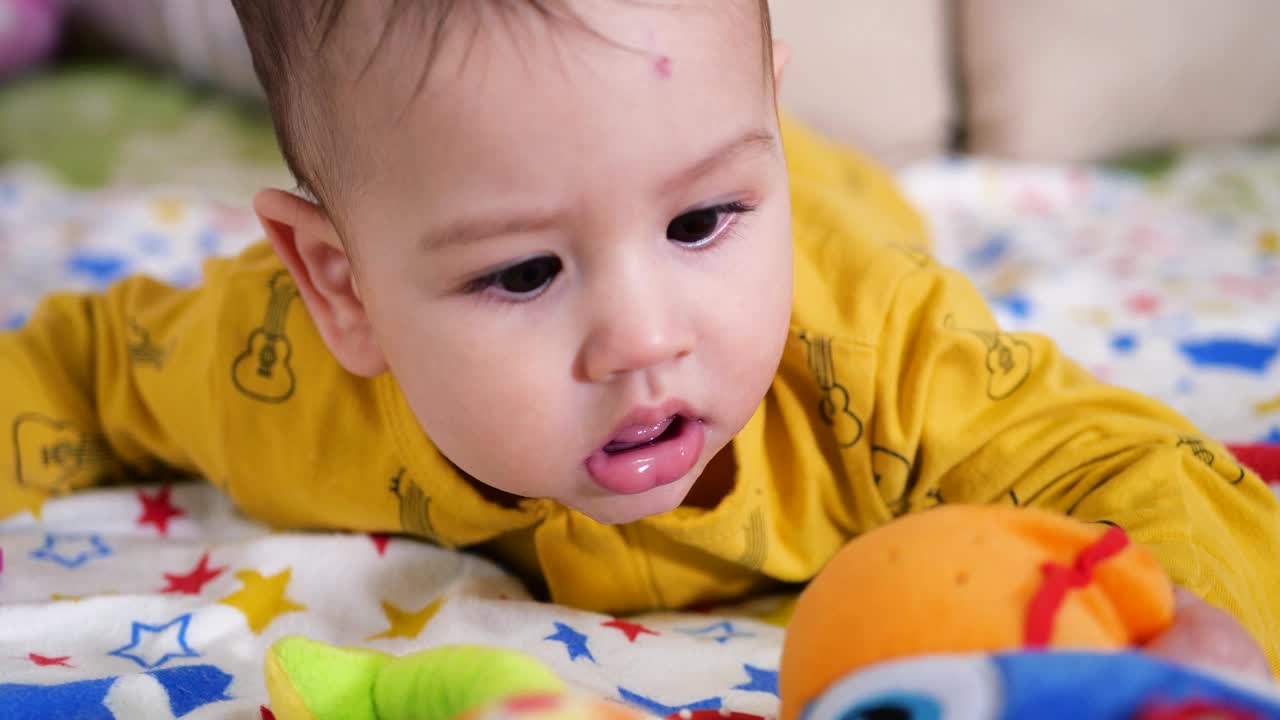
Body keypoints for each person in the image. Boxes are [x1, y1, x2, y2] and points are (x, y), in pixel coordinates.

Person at [2, 0, 1274, 676]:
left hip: (840, 209)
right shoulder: (269, 369)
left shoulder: (880, 358)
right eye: (519, 272)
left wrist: (1188, 629)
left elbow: (1124, 463)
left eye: (705, 218)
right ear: (340, 289)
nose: (642, 340)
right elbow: (72, 367)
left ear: (762, 129)